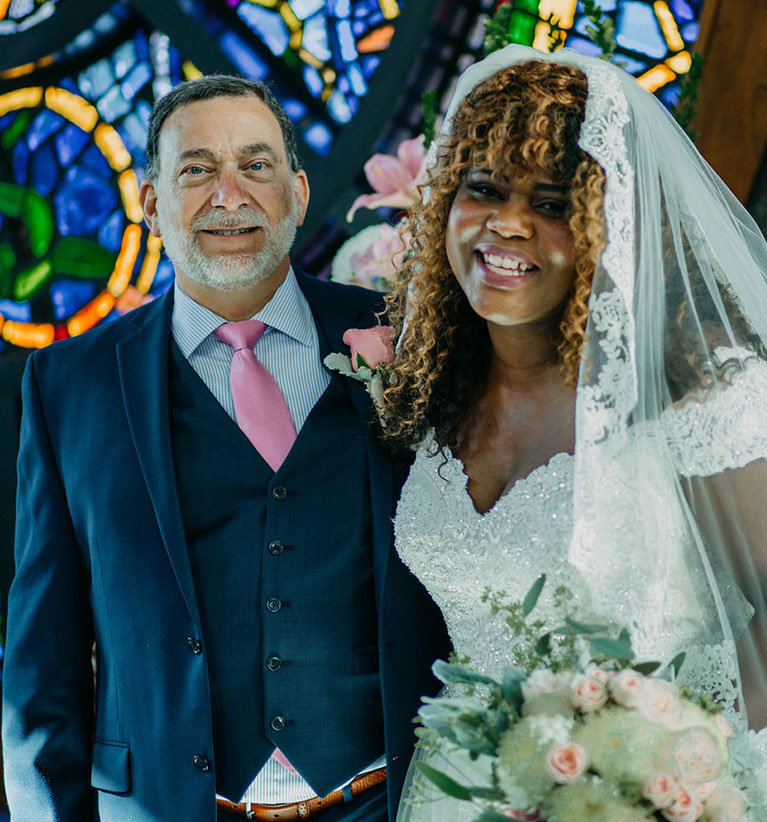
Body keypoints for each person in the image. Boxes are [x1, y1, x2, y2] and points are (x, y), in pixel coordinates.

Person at [2, 75, 449, 822]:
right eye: (197, 169)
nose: (228, 193)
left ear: (299, 194)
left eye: (257, 164)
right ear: (149, 203)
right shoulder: (68, 382)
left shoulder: (407, 340)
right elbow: (41, 658)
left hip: (391, 800)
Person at [379, 45, 767, 820]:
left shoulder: (696, 403)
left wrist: (665, 783)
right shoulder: (428, 398)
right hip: (456, 796)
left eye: (553, 203)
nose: (508, 224)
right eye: (482, 188)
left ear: (610, 223)